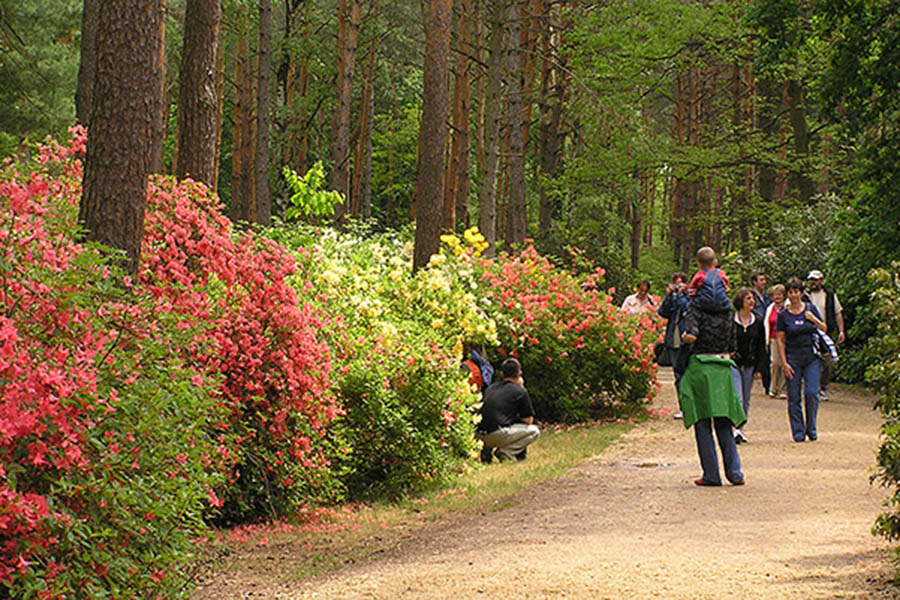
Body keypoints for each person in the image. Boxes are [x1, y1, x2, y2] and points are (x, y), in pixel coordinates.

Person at [678, 299, 746, 487]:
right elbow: (733, 345)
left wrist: (684, 337)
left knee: (702, 422)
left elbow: (691, 335)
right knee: (724, 421)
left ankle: (711, 474)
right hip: (722, 367)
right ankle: (735, 473)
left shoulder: (695, 310)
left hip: (700, 367)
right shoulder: (728, 312)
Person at [776, 277, 827, 442]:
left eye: (796, 291)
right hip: (793, 357)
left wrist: (814, 319)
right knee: (794, 396)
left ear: (801, 293)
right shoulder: (783, 316)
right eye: (790, 292)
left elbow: (824, 328)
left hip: (811, 357)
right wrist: (784, 363)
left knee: (812, 393)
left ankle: (811, 428)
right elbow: (780, 340)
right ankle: (798, 431)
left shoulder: (810, 309)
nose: (793, 295)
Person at [476, 358, 540, 463]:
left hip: (479, 436)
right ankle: (506, 452)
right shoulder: (520, 391)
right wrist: (521, 387)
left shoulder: (491, 388)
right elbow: (528, 420)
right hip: (496, 435)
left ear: (502, 374)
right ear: (520, 374)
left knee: (494, 421)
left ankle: (486, 454)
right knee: (534, 431)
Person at [803, 270, 845, 401]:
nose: (813, 282)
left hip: (826, 333)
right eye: (811, 280)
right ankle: (812, 388)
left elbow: (838, 313)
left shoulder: (830, 295)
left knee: (827, 362)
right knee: (810, 361)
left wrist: (841, 331)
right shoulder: (805, 296)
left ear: (821, 280)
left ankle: (823, 387)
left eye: (816, 280)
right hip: (808, 333)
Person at [731, 287, 767, 443]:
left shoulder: (758, 321)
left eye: (753, 298)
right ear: (740, 301)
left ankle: (741, 428)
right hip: (733, 363)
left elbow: (761, 346)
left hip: (750, 363)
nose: (752, 301)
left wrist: (760, 368)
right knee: (737, 396)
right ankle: (734, 428)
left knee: (746, 398)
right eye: (748, 298)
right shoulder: (731, 320)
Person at [658, 271, 690, 419]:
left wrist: (682, 295)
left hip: (686, 341)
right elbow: (662, 312)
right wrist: (669, 296)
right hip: (673, 339)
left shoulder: (690, 297)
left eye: (680, 284)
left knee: (688, 375)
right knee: (677, 376)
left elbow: (687, 309)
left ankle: (691, 405)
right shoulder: (672, 298)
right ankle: (682, 407)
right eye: (675, 284)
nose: (678, 287)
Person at [687, 247, 731, 312]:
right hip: (721, 305)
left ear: (699, 264)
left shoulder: (699, 275)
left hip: (702, 305)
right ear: (715, 262)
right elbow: (726, 288)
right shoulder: (720, 273)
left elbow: (691, 291)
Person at [763, 284, 787, 399]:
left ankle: (783, 389)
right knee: (774, 363)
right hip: (773, 338)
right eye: (775, 295)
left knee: (784, 363)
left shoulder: (787, 307)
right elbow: (766, 323)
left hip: (785, 339)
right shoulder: (770, 308)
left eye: (780, 294)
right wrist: (766, 340)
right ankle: (773, 388)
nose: (777, 297)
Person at [750, 272, 771, 394]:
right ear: (755, 282)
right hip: (756, 327)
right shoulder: (751, 295)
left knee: (766, 355)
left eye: (764, 280)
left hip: (766, 328)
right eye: (761, 280)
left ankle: (768, 385)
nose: (764, 282)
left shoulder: (766, 296)